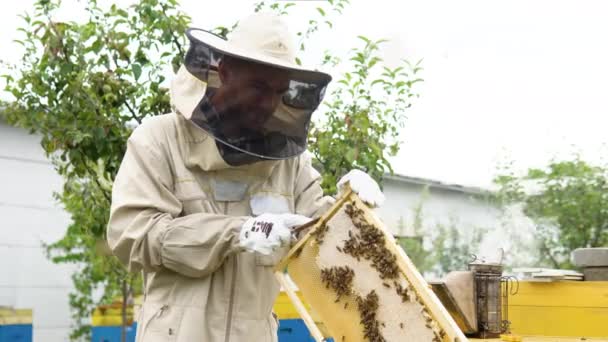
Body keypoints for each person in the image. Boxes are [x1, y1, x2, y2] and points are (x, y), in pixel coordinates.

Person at [107, 12, 385, 342]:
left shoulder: (290, 163)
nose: (268, 103)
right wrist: (238, 232)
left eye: (279, 92)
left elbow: (320, 239)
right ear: (224, 71)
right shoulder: (159, 139)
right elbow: (133, 237)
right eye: (258, 86)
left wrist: (351, 209)